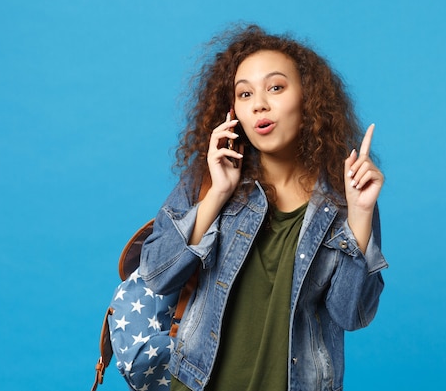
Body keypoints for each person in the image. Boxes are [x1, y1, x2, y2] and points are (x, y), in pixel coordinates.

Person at [140, 24, 388, 391]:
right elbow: (156, 275)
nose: (259, 104)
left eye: (275, 87)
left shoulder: (345, 200)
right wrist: (216, 196)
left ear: (308, 99)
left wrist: (361, 215)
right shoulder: (210, 180)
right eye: (244, 93)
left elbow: (351, 314)